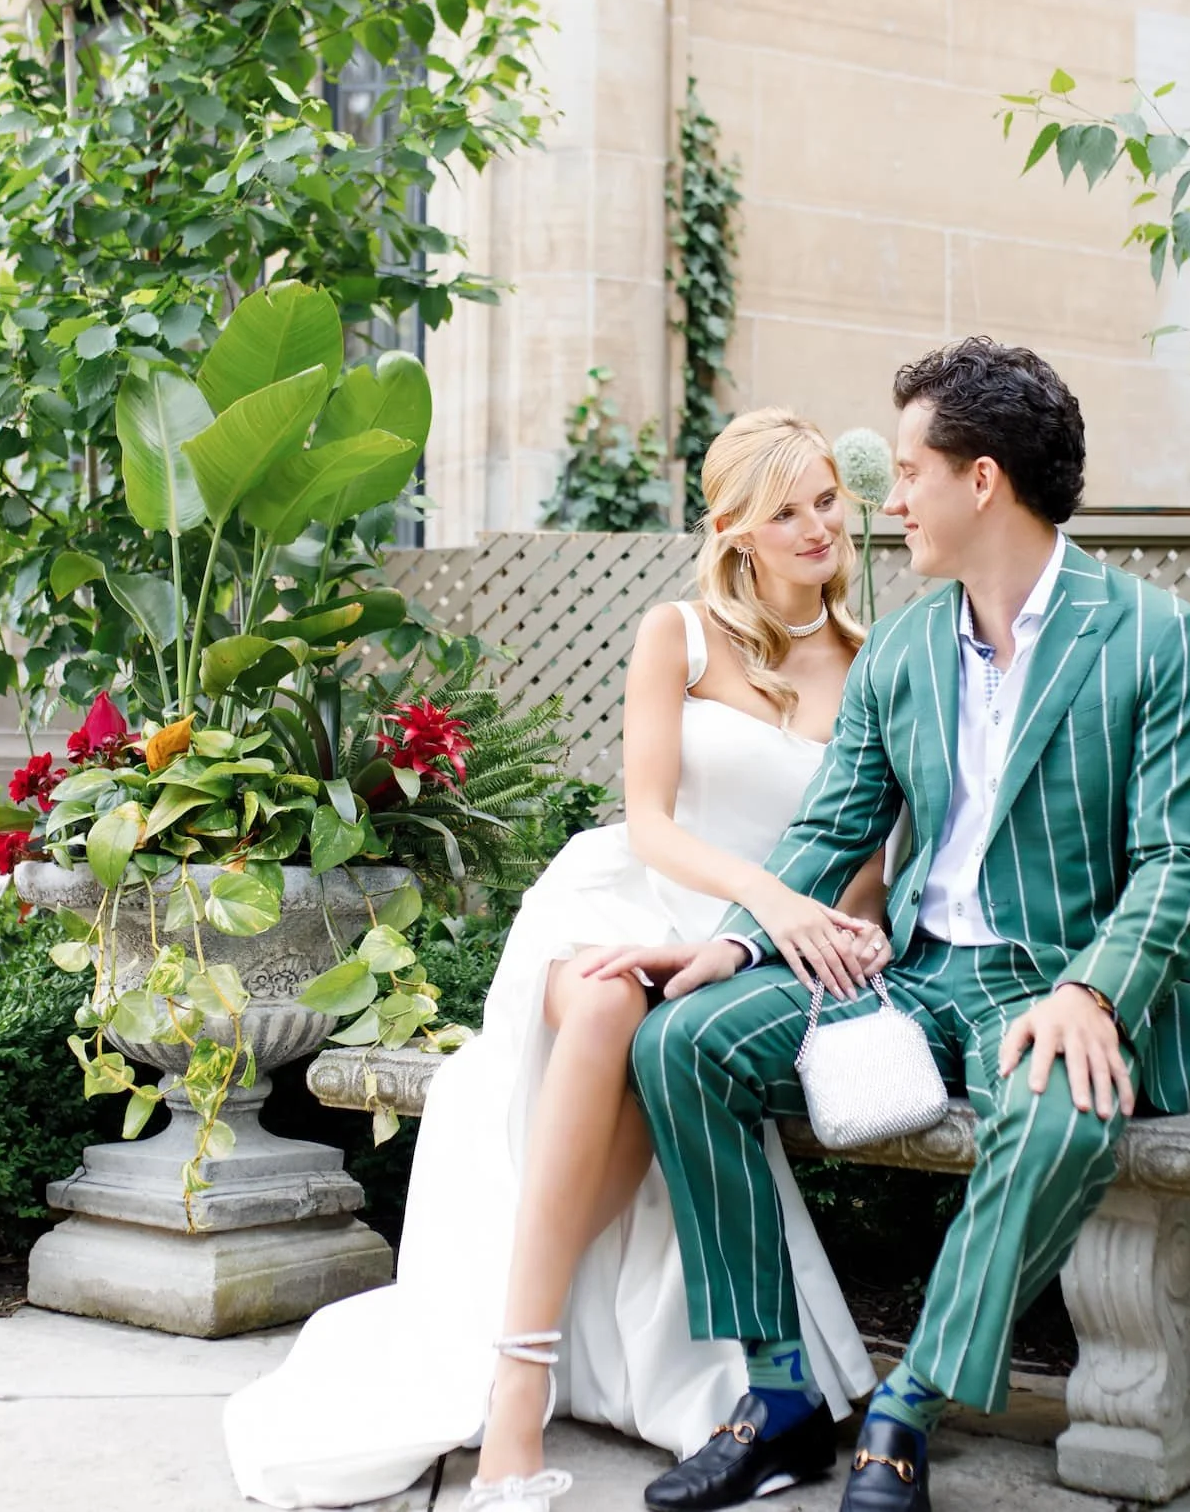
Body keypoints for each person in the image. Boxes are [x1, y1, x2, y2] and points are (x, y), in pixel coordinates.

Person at [598, 339, 1190, 1512]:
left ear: (979, 479)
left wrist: (1095, 992)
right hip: (917, 979)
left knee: (1060, 1120)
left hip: (1057, 986)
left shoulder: (1155, 636)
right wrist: (736, 940)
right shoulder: (899, 649)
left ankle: (908, 1405)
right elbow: (829, 832)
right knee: (681, 1041)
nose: (882, 505)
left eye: (903, 474)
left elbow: (1182, 858)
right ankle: (781, 1393)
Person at [223, 411, 888, 1511]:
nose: (817, 524)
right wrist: (752, 899)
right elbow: (652, 821)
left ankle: (505, 1351)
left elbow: (861, 866)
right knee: (603, 1005)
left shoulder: (871, 663)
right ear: (733, 528)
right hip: (622, 895)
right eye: (785, 508)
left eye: (826, 498)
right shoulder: (675, 632)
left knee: (645, 1025)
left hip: (748, 946)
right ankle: (517, 1406)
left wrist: (749, 934)